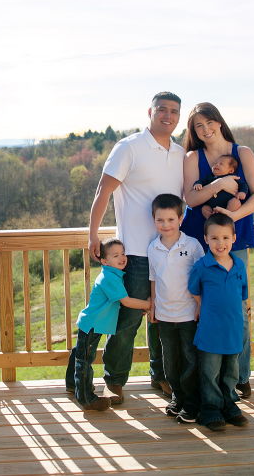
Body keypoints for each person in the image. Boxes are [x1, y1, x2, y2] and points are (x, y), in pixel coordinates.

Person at [88, 92, 185, 403]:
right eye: (162, 110)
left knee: (165, 318)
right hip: (136, 254)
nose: (168, 116)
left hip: (170, 251)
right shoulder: (129, 147)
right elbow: (104, 191)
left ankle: (162, 377)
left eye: (174, 111)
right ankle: (114, 380)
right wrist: (93, 235)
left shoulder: (181, 154)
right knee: (129, 320)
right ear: (150, 112)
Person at [180, 102, 254, 399]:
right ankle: (204, 379)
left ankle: (240, 376)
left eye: (208, 123)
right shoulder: (192, 156)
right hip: (197, 238)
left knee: (235, 309)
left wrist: (230, 219)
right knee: (197, 305)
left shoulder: (243, 153)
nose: (205, 130)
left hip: (234, 238)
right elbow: (191, 199)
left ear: (219, 121)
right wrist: (219, 183)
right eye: (197, 127)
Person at [65, 239, 153, 410]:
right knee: (85, 359)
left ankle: (72, 384)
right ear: (104, 261)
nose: (122, 258)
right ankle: (86, 398)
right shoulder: (109, 278)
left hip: (93, 323)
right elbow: (126, 302)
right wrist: (149, 304)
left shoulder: (113, 274)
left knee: (80, 352)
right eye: (115, 255)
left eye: (122, 254)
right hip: (93, 324)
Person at [188, 214, 249, 432]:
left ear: (234, 238)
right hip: (210, 330)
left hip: (232, 330)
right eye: (214, 238)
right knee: (210, 372)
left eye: (225, 237)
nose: (220, 243)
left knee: (231, 371)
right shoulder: (202, 266)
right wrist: (200, 306)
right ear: (206, 239)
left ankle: (229, 404)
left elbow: (242, 294)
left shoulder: (239, 265)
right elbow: (194, 290)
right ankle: (210, 408)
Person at [147, 193, 205, 423]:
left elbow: (202, 276)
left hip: (188, 313)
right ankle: (177, 397)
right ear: (153, 220)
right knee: (169, 359)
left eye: (171, 220)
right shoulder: (153, 247)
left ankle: (192, 402)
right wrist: (152, 306)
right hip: (164, 314)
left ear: (181, 218)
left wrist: (200, 305)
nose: (166, 225)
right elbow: (153, 278)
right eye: (160, 220)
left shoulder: (192, 245)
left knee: (190, 358)